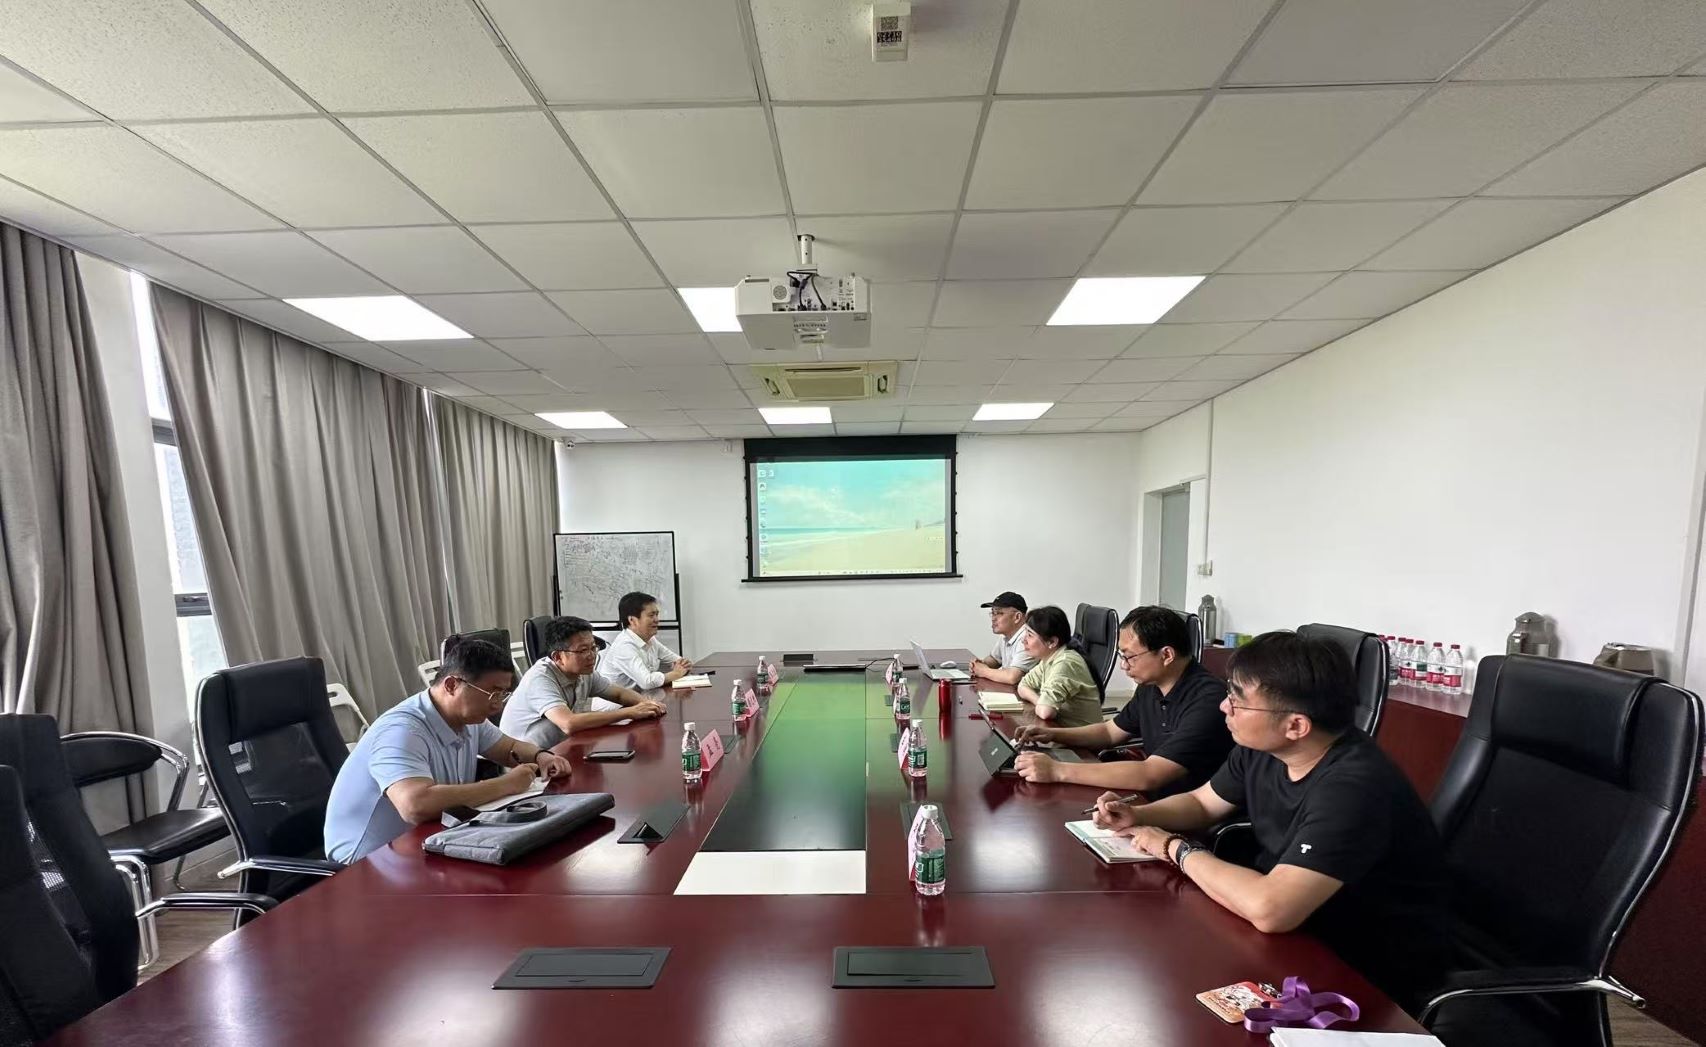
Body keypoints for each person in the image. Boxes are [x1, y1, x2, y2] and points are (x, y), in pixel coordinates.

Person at [1091, 631, 1449, 1013]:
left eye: (1237, 701)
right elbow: (1201, 803)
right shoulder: (1264, 747)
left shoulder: (1354, 788)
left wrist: (1174, 847)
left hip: (1366, 968)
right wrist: (1138, 815)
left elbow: (1271, 909)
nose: (1224, 707)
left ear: (1295, 725)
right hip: (1298, 931)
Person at [324, 637, 572, 865]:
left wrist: (541, 756)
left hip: (429, 840)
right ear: (452, 685)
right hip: (366, 861)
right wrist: (507, 784)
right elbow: (415, 805)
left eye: (503, 694)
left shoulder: (469, 719)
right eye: (493, 693)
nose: (497, 706)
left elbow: (509, 748)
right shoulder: (402, 731)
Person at [1015, 605, 1230, 798]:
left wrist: (1057, 770)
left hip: (1185, 812)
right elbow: (1110, 732)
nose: (1123, 665)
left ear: (1166, 655)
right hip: (1150, 799)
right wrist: (1052, 734)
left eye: (1130, 656)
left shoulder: (1209, 700)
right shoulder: (1151, 685)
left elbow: (1151, 774)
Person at [502, 615, 668, 749]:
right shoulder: (540, 678)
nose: (591, 655)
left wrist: (646, 704)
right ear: (558, 657)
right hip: (523, 760)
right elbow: (569, 723)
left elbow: (618, 693)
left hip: (558, 748)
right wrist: (630, 712)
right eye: (583, 650)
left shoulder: (584, 672)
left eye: (593, 647)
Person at [1012, 605, 1104, 728]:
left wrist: (1043, 704)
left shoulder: (1066, 663)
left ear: (1052, 642)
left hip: (1083, 737)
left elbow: (1045, 712)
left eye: (1030, 635)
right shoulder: (1049, 658)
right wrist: (1040, 702)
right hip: (1061, 730)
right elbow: (1023, 686)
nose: (1023, 640)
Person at [600, 591, 694, 690]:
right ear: (632, 620)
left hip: (641, 697)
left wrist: (684, 664)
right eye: (651, 615)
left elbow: (678, 661)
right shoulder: (624, 646)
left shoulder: (650, 639)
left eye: (657, 614)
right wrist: (676, 674)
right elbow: (647, 682)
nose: (657, 620)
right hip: (617, 700)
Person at [968, 591, 1036, 685]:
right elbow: (995, 659)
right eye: (992, 613)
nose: (993, 618)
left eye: (998, 613)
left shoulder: (1027, 638)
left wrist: (983, 671)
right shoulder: (1006, 635)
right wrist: (980, 664)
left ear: (1017, 617)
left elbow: (1012, 677)